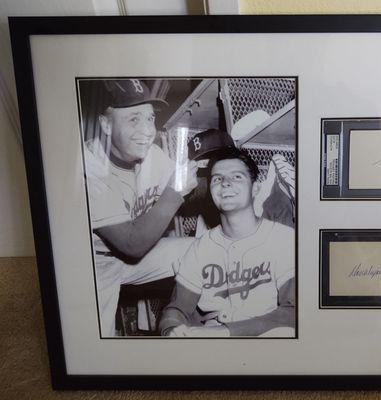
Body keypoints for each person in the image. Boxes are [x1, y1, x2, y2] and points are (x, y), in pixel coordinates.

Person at [84, 79, 198, 336]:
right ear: (106, 125)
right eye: (134, 119)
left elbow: (186, 185)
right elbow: (132, 244)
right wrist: (175, 192)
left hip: (133, 258)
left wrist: (227, 180)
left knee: (203, 248)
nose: (148, 130)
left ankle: (183, 323)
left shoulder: (151, 154)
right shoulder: (88, 169)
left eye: (149, 118)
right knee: (95, 349)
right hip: (93, 267)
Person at [159, 148, 295, 337]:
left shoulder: (284, 239)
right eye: (217, 179)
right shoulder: (201, 247)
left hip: (266, 339)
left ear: (256, 188)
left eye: (237, 177)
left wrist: (224, 332)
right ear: (211, 192)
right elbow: (176, 309)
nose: (225, 183)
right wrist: (172, 329)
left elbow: (295, 313)